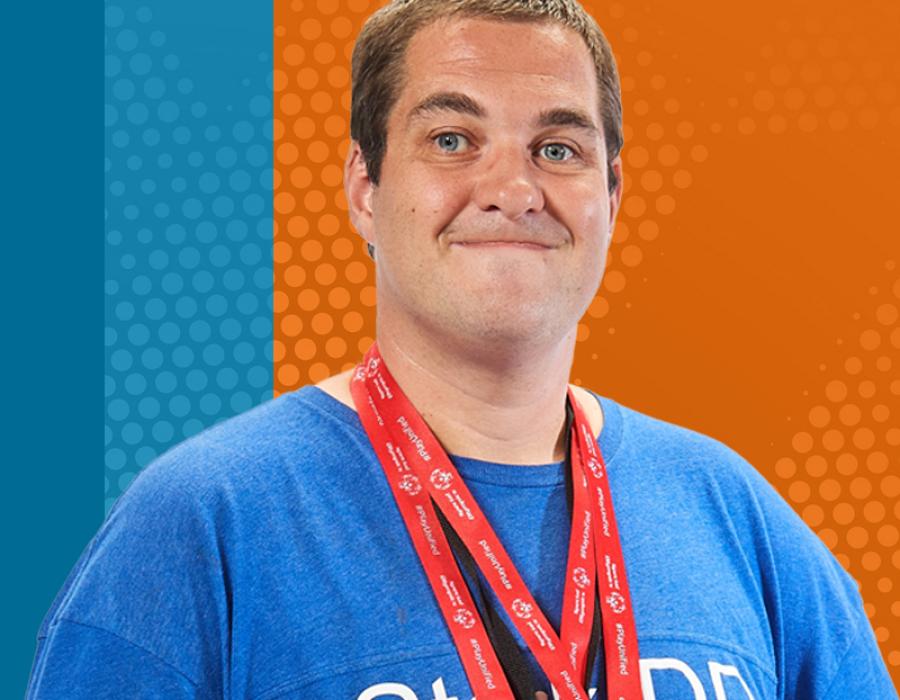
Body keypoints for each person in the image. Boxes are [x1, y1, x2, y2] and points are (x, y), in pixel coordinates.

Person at [28, 1, 896, 698]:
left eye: (558, 149)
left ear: (612, 195)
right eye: (452, 140)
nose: (514, 189)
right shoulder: (201, 527)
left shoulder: (739, 519)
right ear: (366, 189)